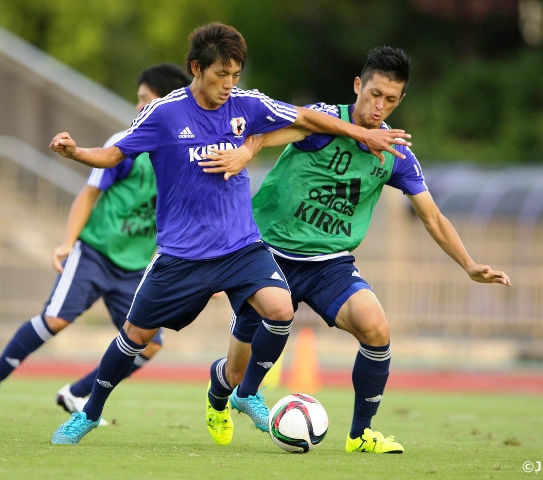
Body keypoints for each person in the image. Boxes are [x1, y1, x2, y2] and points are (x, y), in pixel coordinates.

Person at [48, 23, 411, 445]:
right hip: (182, 254)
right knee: (135, 337)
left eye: (236, 74)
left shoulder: (245, 103)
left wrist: (362, 132)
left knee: (280, 309)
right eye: (221, 75)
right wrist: (76, 152)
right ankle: (89, 413)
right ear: (196, 69)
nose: (229, 84)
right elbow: (113, 153)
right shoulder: (164, 113)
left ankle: (246, 394)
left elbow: (308, 117)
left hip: (241, 246)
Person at [199, 45, 511, 452]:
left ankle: (360, 435)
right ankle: (222, 397)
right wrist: (245, 152)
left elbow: (433, 217)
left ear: (401, 100)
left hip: (330, 264)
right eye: (374, 94)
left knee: (376, 328)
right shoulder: (323, 120)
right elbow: (264, 136)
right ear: (358, 85)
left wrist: (469, 265)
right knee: (237, 371)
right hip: (267, 254)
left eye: (391, 100)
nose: (380, 106)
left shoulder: (396, 154)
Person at [0, 63, 192, 421]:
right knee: (55, 319)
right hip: (95, 253)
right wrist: (68, 243)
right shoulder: (125, 144)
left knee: (149, 345)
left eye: (144, 99)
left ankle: (77, 393)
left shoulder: (184, 154)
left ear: (168, 102)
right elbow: (88, 194)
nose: (138, 107)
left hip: (135, 267)